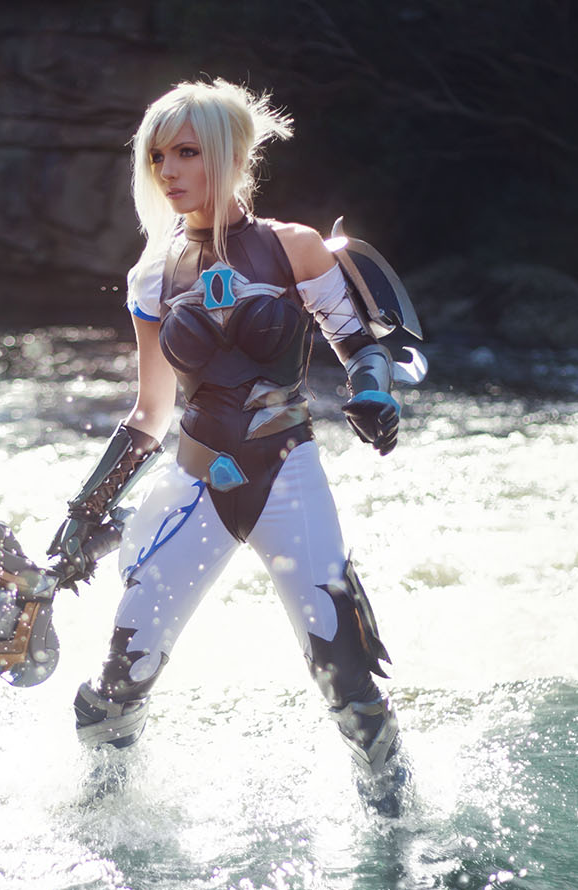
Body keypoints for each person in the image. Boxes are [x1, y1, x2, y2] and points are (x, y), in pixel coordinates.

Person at [48, 79, 411, 816]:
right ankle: (104, 827)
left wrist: (374, 394)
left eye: (186, 152)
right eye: (158, 157)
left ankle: (402, 829)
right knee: (115, 691)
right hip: (195, 485)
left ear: (231, 154)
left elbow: (361, 345)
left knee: (350, 689)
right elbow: (150, 413)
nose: (168, 170)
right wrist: (86, 509)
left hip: (289, 480)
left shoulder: (293, 247)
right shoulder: (152, 274)